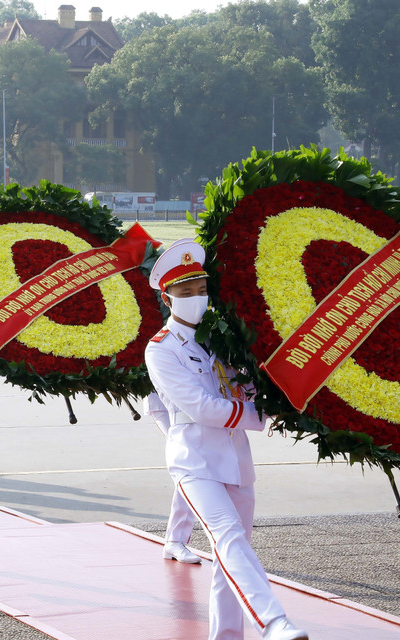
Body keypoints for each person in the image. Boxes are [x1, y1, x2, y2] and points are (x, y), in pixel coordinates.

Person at [144, 239, 308, 640]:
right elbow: (202, 407)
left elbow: (244, 387)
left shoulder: (220, 337)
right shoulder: (161, 349)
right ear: (167, 298)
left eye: (201, 290)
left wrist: (279, 402)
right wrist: (259, 416)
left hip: (236, 459)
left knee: (230, 557)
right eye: (186, 292)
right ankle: (274, 622)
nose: (196, 299)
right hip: (195, 460)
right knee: (229, 538)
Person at [144, 391, 201, 564]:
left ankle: (175, 540)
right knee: (189, 465)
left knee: (193, 465)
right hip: (166, 403)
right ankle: (175, 540)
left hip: (193, 405)